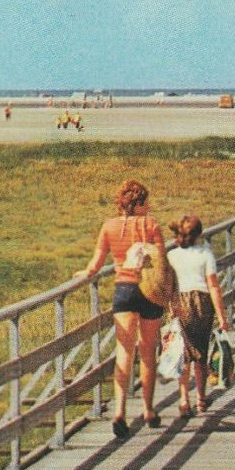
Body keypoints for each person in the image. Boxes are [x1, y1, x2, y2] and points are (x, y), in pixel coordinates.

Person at [84, 179, 167, 438]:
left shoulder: (109, 227)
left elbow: (95, 265)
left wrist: (83, 275)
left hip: (124, 290)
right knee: (147, 351)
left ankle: (119, 410)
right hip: (149, 291)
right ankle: (148, 409)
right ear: (140, 203)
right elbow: (162, 262)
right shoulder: (151, 224)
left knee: (124, 353)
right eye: (146, 201)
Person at [166, 214, 230, 416]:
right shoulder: (205, 254)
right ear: (198, 234)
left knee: (183, 352)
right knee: (200, 354)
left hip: (180, 302)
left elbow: (169, 286)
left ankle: (184, 399)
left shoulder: (172, 256)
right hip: (202, 303)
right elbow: (213, 286)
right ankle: (201, 399)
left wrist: (170, 307)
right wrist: (222, 317)